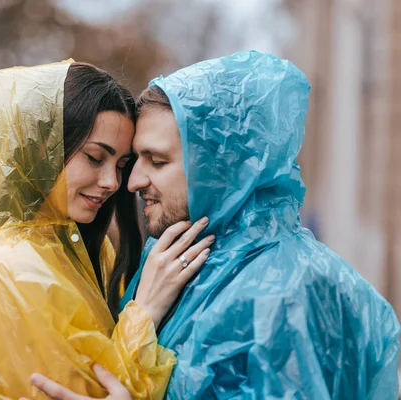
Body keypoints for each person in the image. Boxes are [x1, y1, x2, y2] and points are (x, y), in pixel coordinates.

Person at [30, 51, 401, 399]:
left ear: (222, 169)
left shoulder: (284, 295)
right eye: (136, 161)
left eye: (157, 161)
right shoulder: (182, 261)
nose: (133, 182)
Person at [0, 60, 214, 399]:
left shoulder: (87, 251)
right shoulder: (9, 272)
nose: (112, 182)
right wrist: (145, 313)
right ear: (44, 149)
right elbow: (96, 390)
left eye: (121, 164)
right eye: (95, 157)